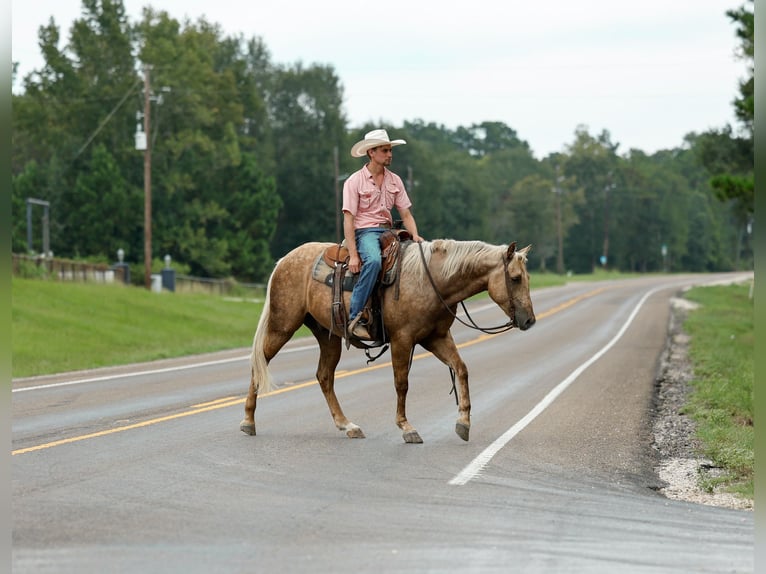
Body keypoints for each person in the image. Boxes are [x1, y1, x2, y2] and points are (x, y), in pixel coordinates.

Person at [342, 129, 423, 340]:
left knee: (415, 260)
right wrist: (353, 254)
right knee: (375, 262)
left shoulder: (395, 180)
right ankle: (356, 316)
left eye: (390, 150)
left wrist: (415, 236)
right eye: (385, 150)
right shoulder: (354, 181)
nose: (390, 154)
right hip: (365, 232)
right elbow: (349, 220)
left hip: (389, 231)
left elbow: (405, 213)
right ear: (371, 152)